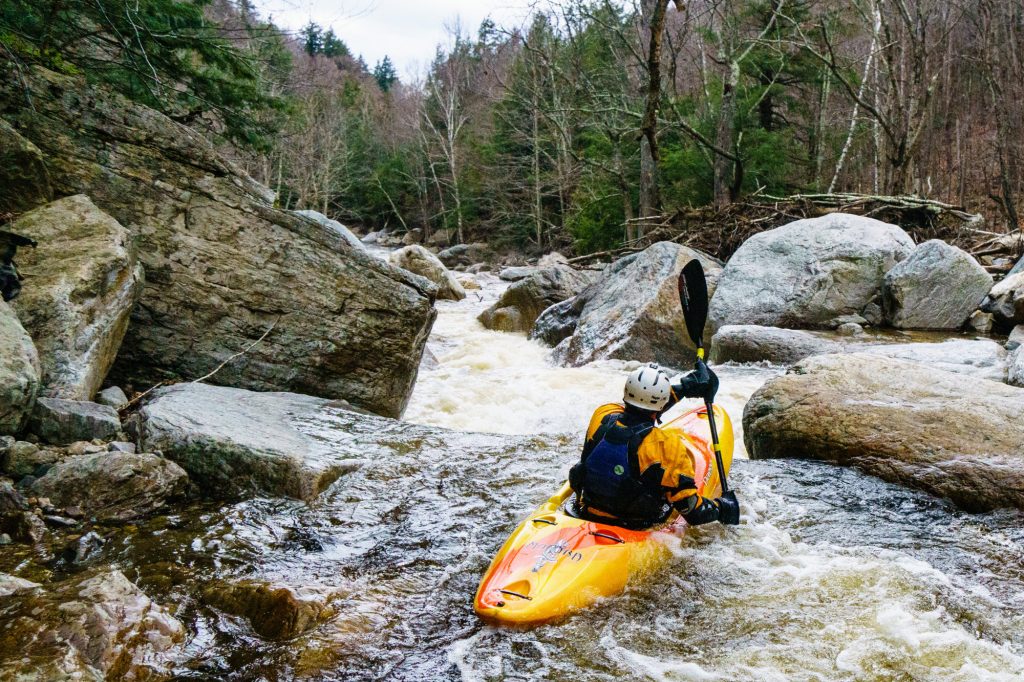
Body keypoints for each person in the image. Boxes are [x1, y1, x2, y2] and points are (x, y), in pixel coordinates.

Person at [568, 362, 740, 529]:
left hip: (588, 511)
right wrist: (723, 508)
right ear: (661, 403)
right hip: (633, 525)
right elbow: (692, 512)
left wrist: (686, 388)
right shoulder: (666, 445)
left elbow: (638, 411)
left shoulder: (601, 415)